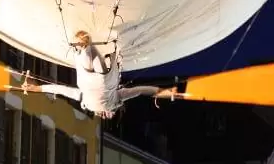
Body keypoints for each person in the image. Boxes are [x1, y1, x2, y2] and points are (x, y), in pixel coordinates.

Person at [21, 32, 173, 119]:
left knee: (91, 65)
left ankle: (86, 46)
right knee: (94, 66)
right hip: (99, 80)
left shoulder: (86, 101)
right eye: (107, 115)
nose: (103, 115)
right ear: (113, 111)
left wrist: (38, 88)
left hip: (93, 80)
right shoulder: (115, 100)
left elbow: (59, 90)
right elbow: (140, 90)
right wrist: (159, 91)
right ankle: (86, 46)